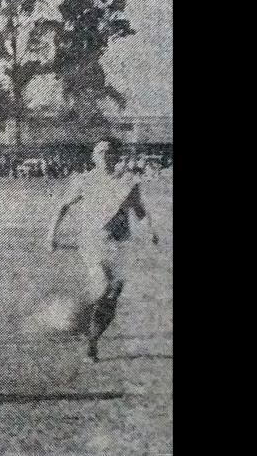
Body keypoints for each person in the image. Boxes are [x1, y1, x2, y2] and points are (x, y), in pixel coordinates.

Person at [46, 139, 161, 363]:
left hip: (117, 244)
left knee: (112, 296)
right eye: (100, 152)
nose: (105, 156)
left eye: (109, 152)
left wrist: (150, 231)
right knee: (103, 286)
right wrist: (51, 235)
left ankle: (92, 341)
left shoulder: (127, 183)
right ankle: (68, 316)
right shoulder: (84, 181)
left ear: (116, 156)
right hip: (92, 242)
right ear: (93, 157)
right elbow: (63, 207)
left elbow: (139, 211)